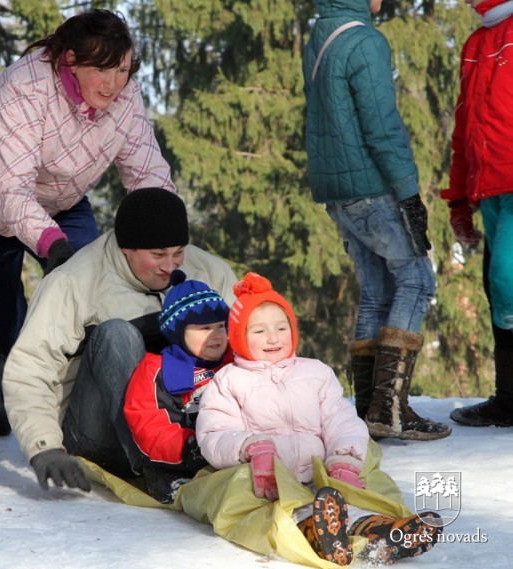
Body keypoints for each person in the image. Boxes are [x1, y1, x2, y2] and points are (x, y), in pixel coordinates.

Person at [0, 9, 176, 442]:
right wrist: (53, 245)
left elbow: (146, 172)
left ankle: (84, 410)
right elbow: (11, 188)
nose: (113, 83)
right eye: (102, 69)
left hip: (59, 197)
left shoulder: (125, 97)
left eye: (122, 70)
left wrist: (167, 231)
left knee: (93, 290)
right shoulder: (26, 87)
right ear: (71, 61)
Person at [196, 272, 442, 566]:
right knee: (279, 511)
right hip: (270, 481)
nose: (273, 338)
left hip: (323, 472)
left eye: (281, 327)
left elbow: (341, 419)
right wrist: (249, 446)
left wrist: (343, 458)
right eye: (259, 331)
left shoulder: (315, 372)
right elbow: (214, 432)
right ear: (239, 336)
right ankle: (315, 533)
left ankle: (381, 531)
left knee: (358, 486)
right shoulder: (229, 380)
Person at [2, 188, 237, 494]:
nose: (171, 265)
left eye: (178, 251)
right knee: (116, 334)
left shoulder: (209, 272)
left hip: (188, 425)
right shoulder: (74, 282)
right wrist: (44, 447)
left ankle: (193, 449)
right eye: (158, 255)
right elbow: (31, 367)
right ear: (126, 248)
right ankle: (159, 468)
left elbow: (249, 341)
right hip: (99, 431)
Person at [301, 0, 450, 441]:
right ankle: (392, 410)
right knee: (417, 280)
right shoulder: (364, 40)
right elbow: (382, 127)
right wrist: (409, 193)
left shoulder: (320, 36)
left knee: (376, 291)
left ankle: (368, 411)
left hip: (338, 192)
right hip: (372, 187)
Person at [442, 0, 513, 427]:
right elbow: (465, 128)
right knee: (497, 292)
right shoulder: (476, 42)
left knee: (509, 285)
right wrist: (458, 201)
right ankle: (508, 399)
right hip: (490, 193)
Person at [123, 270, 232, 504]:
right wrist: (187, 448)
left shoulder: (236, 361)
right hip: (180, 457)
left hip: (231, 445)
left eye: (221, 326)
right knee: (174, 481)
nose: (216, 335)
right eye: (204, 329)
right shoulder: (159, 370)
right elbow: (148, 422)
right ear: (178, 332)